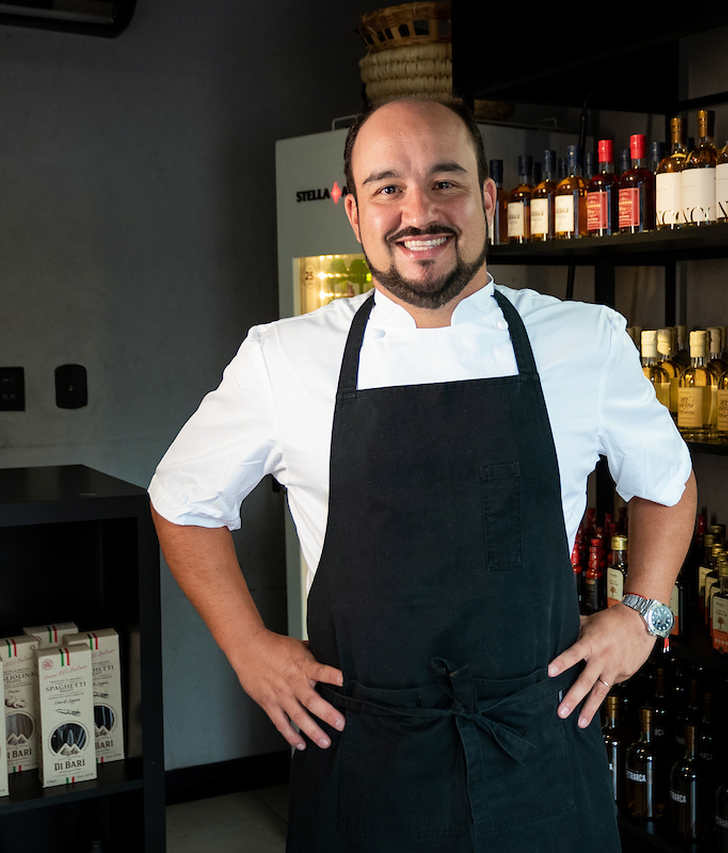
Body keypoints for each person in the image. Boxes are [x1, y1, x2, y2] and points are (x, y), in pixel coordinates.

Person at [148, 97, 696, 851]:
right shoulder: (285, 357)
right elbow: (181, 500)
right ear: (352, 212)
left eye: (446, 183)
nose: (419, 211)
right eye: (387, 188)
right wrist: (247, 645)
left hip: (538, 753)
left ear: (489, 200)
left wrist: (644, 612)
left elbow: (667, 481)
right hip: (367, 763)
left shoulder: (584, 341)